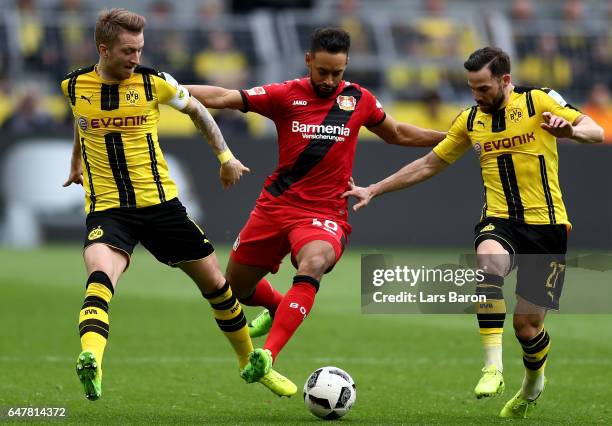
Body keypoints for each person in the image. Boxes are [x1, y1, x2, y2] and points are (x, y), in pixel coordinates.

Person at [343, 46, 603, 418]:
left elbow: (596, 130)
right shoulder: (470, 120)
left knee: (527, 328)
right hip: (500, 219)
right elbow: (429, 163)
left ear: (505, 81)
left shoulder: (538, 101)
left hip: (548, 227)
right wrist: (374, 188)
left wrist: (572, 130)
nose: (477, 95)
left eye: (483, 88)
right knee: (489, 262)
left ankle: (532, 385)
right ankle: (492, 367)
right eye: (472, 88)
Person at [60, 8, 295, 401]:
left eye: (139, 49)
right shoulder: (73, 85)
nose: (136, 58)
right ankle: (92, 358)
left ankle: (250, 364)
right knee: (100, 278)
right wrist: (76, 163)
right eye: (128, 51)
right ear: (104, 48)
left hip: (161, 208)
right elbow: (80, 121)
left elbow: (199, 111)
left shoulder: (154, 83)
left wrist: (225, 157)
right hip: (108, 209)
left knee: (218, 286)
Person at [186, 27, 445, 378]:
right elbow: (222, 96)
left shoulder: (359, 99)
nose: (328, 79)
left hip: (325, 213)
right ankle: (280, 306)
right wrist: (169, 90)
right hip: (275, 206)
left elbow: (397, 133)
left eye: (337, 73)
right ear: (308, 60)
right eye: (322, 71)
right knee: (236, 290)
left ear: (346, 65)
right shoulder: (285, 95)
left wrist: (450, 138)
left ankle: (269, 355)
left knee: (314, 262)